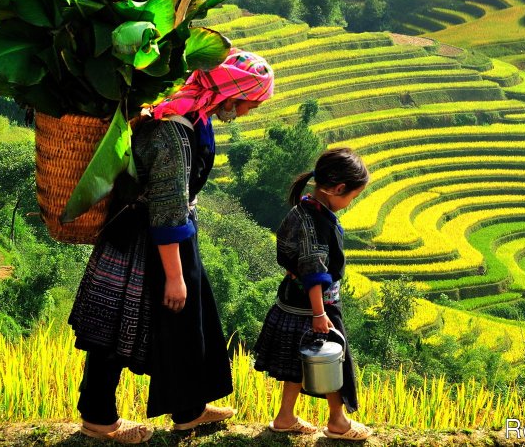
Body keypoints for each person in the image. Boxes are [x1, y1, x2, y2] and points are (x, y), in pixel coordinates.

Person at [67, 49, 275, 443]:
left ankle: (189, 409)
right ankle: (98, 418)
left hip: (171, 235)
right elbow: (166, 209)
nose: (249, 111)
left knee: (187, 324)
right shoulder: (172, 131)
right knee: (114, 328)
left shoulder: (195, 116)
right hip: (143, 239)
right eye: (250, 103)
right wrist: (176, 276)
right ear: (232, 94)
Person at [252, 147, 372, 441]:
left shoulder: (304, 209)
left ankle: (285, 417)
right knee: (331, 357)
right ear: (338, 189)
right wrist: (320, 314)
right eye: (351, 197)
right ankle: (338, 422)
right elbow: (313, 270)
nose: (349, 203)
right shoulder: (314, 222)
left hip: (293, 300)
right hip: (316, 306)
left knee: (298, 362)